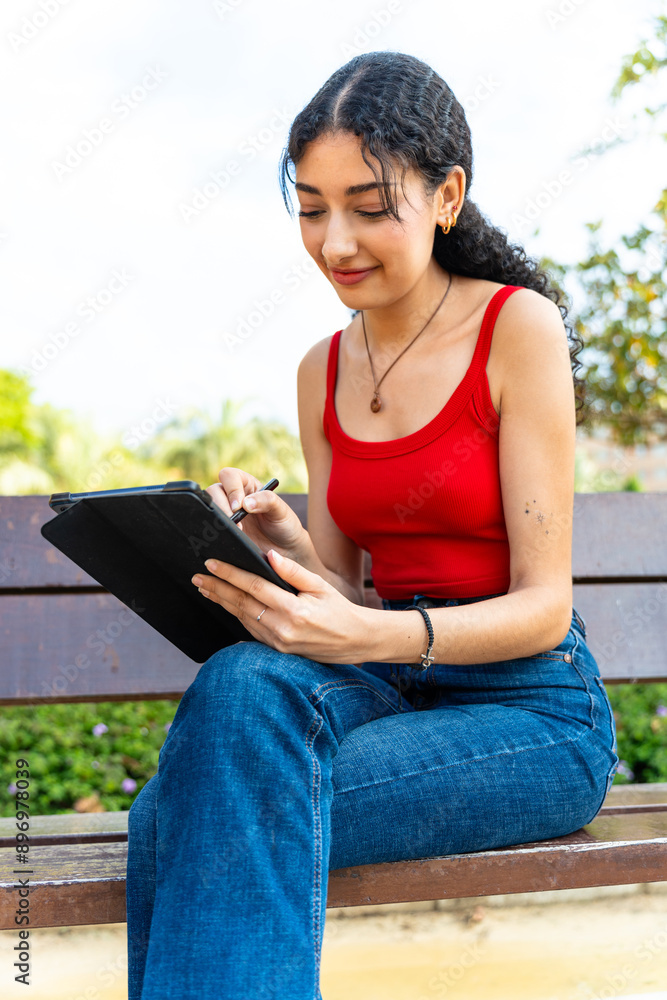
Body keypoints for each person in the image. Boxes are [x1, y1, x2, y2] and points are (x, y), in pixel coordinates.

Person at [126, 50, 619, 999]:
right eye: (310, 208)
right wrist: (285, 549)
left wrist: (371, 631)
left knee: (177, 814)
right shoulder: (320, 368)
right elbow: (350, 597)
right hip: (384, 685)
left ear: (446, 197)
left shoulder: (517, 330)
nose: (335, 240)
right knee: (239, 685)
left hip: (529, 710)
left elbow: (544, 607)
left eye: (368, 205)